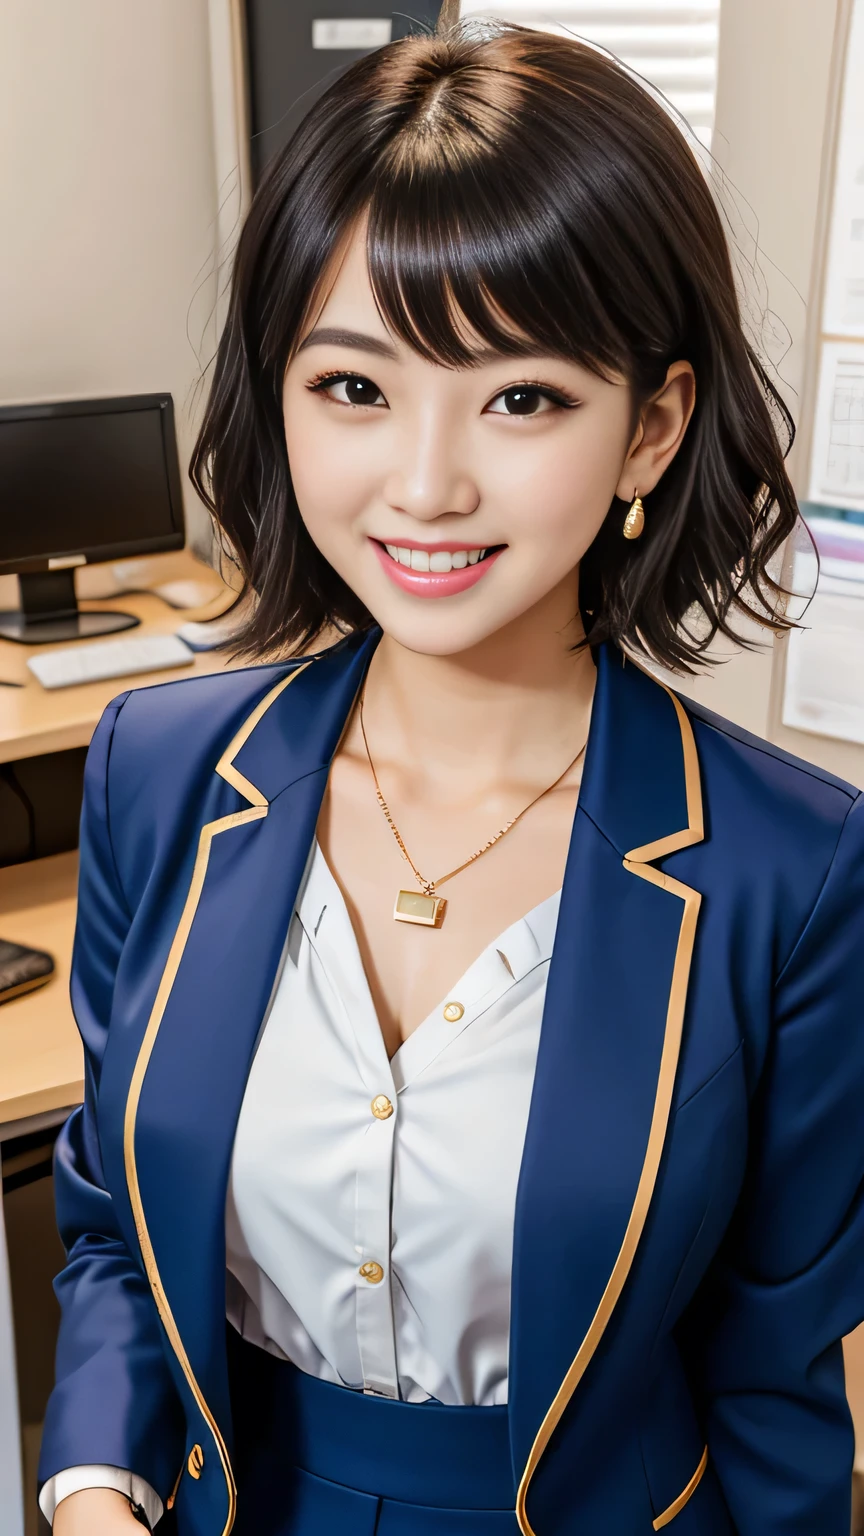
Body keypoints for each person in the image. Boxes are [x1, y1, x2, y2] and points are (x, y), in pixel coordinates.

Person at [38, 8, 864, 1536]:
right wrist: (92, 1485)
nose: (424, 482)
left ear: (651, 429)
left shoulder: (793, 870)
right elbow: (108, 1233)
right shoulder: (160, 769)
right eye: (354, 388)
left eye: (523, 397)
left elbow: (774, 1378)